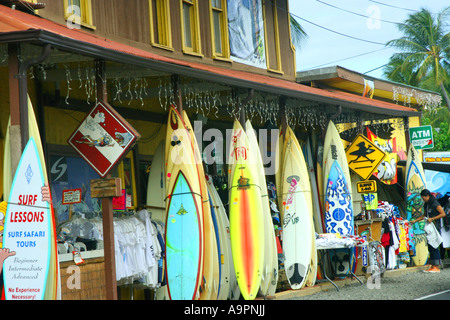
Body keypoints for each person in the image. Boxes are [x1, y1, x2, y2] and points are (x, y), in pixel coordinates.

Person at [410, 189, 446, 273]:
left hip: (435, 226)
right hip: (429, 227)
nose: (423, 199)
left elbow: (443, 214)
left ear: (428, 196)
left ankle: (437, 266)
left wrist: (433, 218)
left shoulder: (435, 203)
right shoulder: (427, 204)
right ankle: (433, 265)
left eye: (424, 198)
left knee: (434, 245)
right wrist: (415, 221)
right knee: (430, 245)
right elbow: (424, 215)